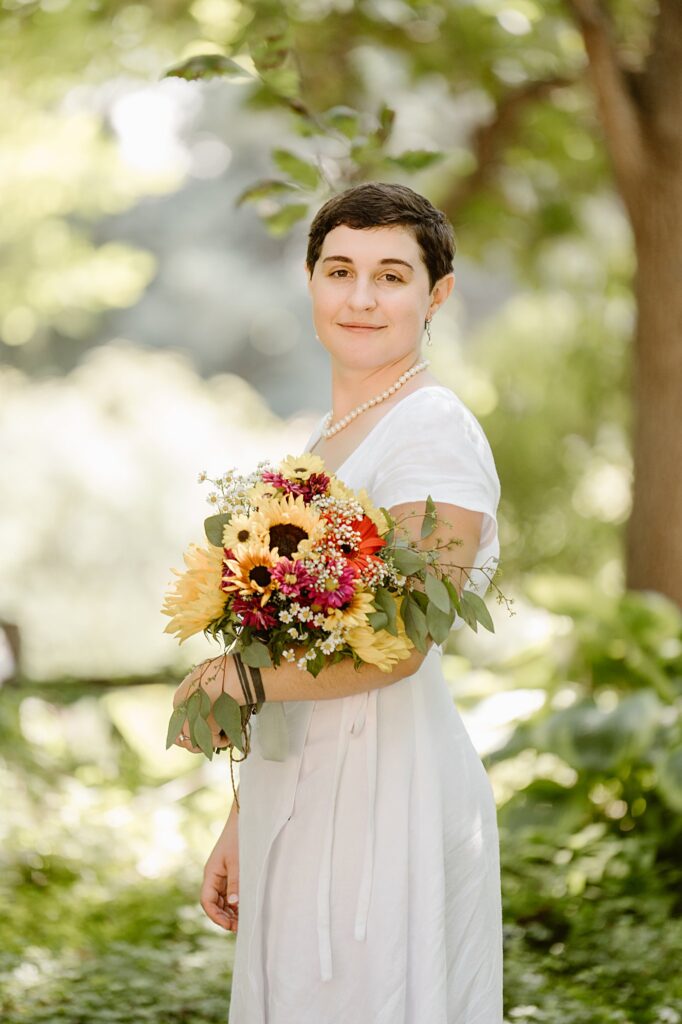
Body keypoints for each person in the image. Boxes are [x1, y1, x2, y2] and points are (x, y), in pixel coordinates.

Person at [173, 181, 503, 1023]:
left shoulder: (434, 431)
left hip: (389, 792)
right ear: (311, 281)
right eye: (339, 269)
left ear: (438, 295)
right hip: (301, 786)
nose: (360, 297)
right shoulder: (320, 443)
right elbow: (298, 643)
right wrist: (249, 812)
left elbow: (402, 637)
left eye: (392, 276)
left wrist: (233, 684)